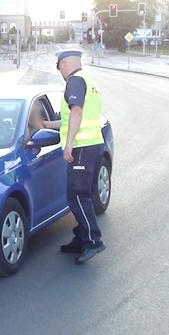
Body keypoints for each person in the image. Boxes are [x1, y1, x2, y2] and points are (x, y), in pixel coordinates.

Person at [49, 49, 106, 264]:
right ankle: (81, 238)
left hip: (82, 147)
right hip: (93, 145)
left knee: (77, 196)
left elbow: (77, 112)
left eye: (59, 66)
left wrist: (69, 145)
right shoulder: (88, 81)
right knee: (82, 196)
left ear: (64, 64)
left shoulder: (74, 81)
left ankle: (93, 240)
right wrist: (47, 125)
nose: (60, 71)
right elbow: (69, 118)